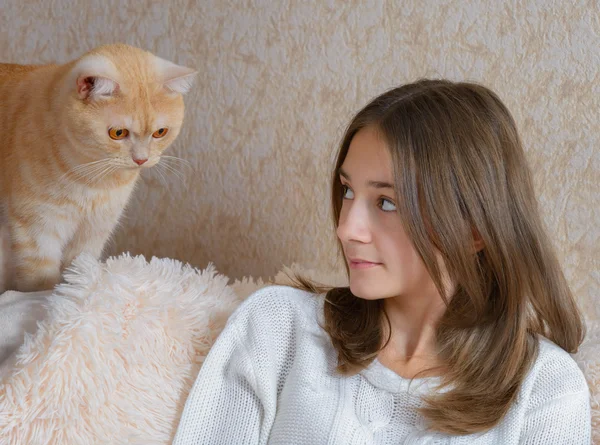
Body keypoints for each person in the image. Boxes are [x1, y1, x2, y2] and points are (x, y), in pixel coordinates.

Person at [173, 79, 591, 444]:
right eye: (348, 191)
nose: (347, 229)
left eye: (386, 202)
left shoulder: (544, 388)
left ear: (474, 231)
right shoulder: (276, 330)